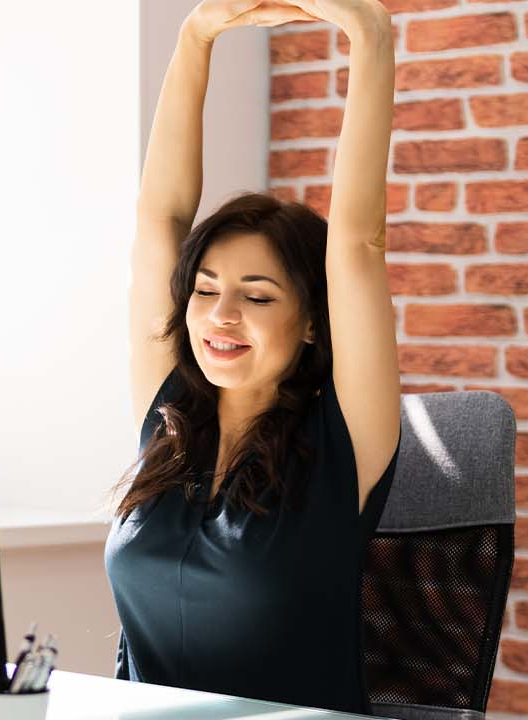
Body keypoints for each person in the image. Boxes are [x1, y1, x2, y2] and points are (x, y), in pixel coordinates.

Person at [103, 0, 401, 713]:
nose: (221, 315)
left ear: (308, 323)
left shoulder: (344, 443)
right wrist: (197, 35)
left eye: (258, 296)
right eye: (205, 290)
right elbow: (160, 218)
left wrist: (369, 32)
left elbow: (357, 245)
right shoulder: (168, 420)